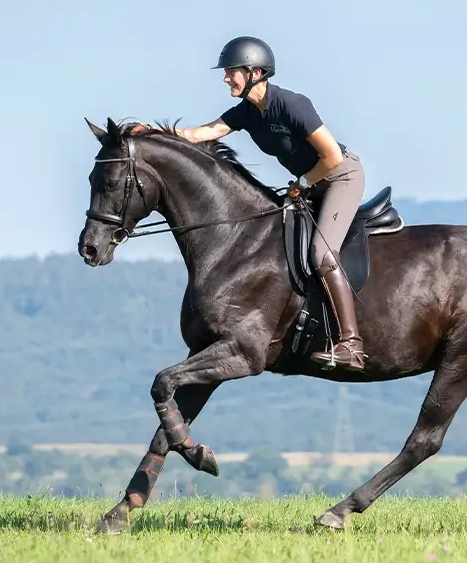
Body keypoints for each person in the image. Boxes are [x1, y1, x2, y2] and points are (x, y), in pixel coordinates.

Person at [151, 36, 367, 371]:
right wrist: (147, 134)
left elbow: (332, 156)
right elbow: (199, 134)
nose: (226, 79)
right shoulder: (248, 113)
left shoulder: (291, 105)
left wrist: (303, 184)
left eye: (231, 72)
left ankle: (351, 344)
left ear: (255, 71)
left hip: (339, 177)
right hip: (309, 185)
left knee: (321, 254)